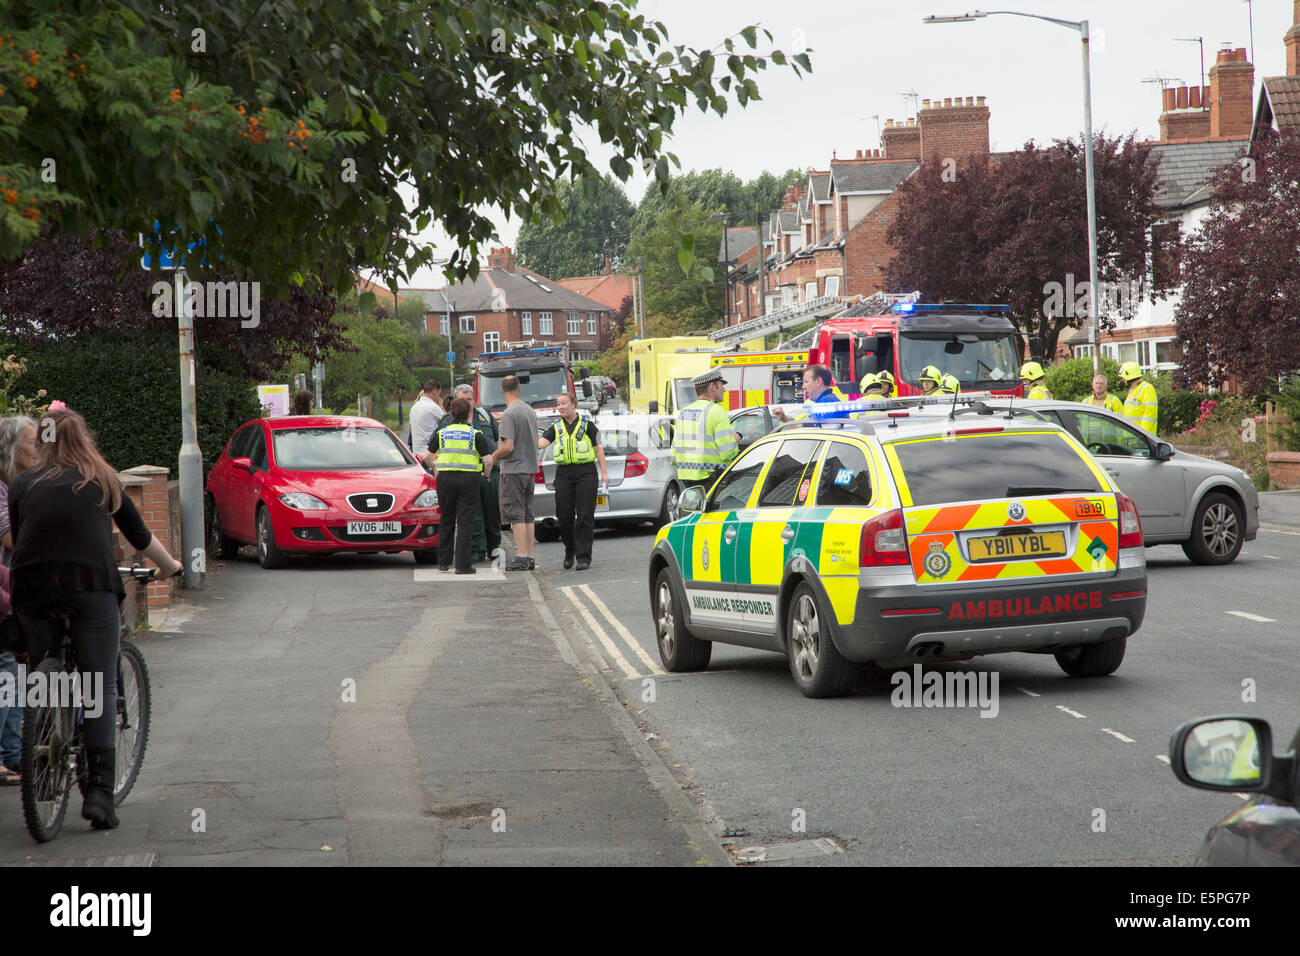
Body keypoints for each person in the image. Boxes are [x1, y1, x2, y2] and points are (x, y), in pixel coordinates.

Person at [9, 407, 183, 829]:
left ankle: (41, 767)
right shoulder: (102, 479)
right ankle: (101, 796)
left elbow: (20, 539)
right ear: (82, 438)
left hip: (31, 588)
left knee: (42, 672)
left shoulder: (23, 483)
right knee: (99, 683)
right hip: (90, 587)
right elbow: (140, 537)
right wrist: (172, 566)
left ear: (43, 441)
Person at [0, 414, 36, 784]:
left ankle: (12, 755)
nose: (38, 448)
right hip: (4, 592)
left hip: (12, 593)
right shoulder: (1, 488)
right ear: (11, 450)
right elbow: (11, 538)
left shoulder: (18, 486)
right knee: (3, 670)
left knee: (8, 668)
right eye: (31, 442)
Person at [538, 392, 609, 571]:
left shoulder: (588, 425)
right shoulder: (556, 426)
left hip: (586, 473)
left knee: (585, 516)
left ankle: (583, 556)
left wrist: (605, 473)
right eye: (558, 404)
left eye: (564, 403)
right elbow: (542, 443)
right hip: (564, 474)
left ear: (573, 404)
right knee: (564, 516)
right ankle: (570, 550)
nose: (560, 407)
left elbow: (598, 448)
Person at [433, 384, 501, 562]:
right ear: (455, 400)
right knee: (473, 514)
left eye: (470, 399)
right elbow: (435, 449)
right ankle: (477, 549)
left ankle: (494, 547)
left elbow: (495, 440)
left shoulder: (485, 416)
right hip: (465, 475)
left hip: (489, 471)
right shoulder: (446, 420)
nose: (468, 403)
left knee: (493, 511)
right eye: (464, 399)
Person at [493, 375, 539, 571]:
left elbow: (508, 446)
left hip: (513, 469)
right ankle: (529, 556)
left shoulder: (509, 414)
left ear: (502, 390)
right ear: (519, 389)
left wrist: (494, 456)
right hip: (530, 468)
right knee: (528, 514)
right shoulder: (529, 410)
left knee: (516, 514)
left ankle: (520, 556)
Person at [672, 369, 739, 487]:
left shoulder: (683, 412)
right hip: (711, 477)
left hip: (686, 478)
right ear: (713, 386)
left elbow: (674, 451)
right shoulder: (716, 411)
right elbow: (728, 452)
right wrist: (735, 441)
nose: (724, 389)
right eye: (721, 385)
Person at [772, 365, 845, 422]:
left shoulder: (826, 404)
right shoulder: (828, 402)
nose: (803, 387)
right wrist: (784, 419)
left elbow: (811, 436)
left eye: (806, 382)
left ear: (819, 381)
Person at [409, 380, 446, 468]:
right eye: (438, 394)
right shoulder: (433, 407)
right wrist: (441, 407)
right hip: (430, 455)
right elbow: (448, 423)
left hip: (417, 454)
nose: (438, 397)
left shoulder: (415, 407)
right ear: (435, 391)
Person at [1120, 362, 1158, 435]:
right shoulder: (1133, 390)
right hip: (1132, 436)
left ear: (1129, 375)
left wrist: (1144, 435)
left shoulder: (1147, 388)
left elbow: (1149, 415)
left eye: (1123, 377)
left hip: (1140, 437)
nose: (1122, 379)